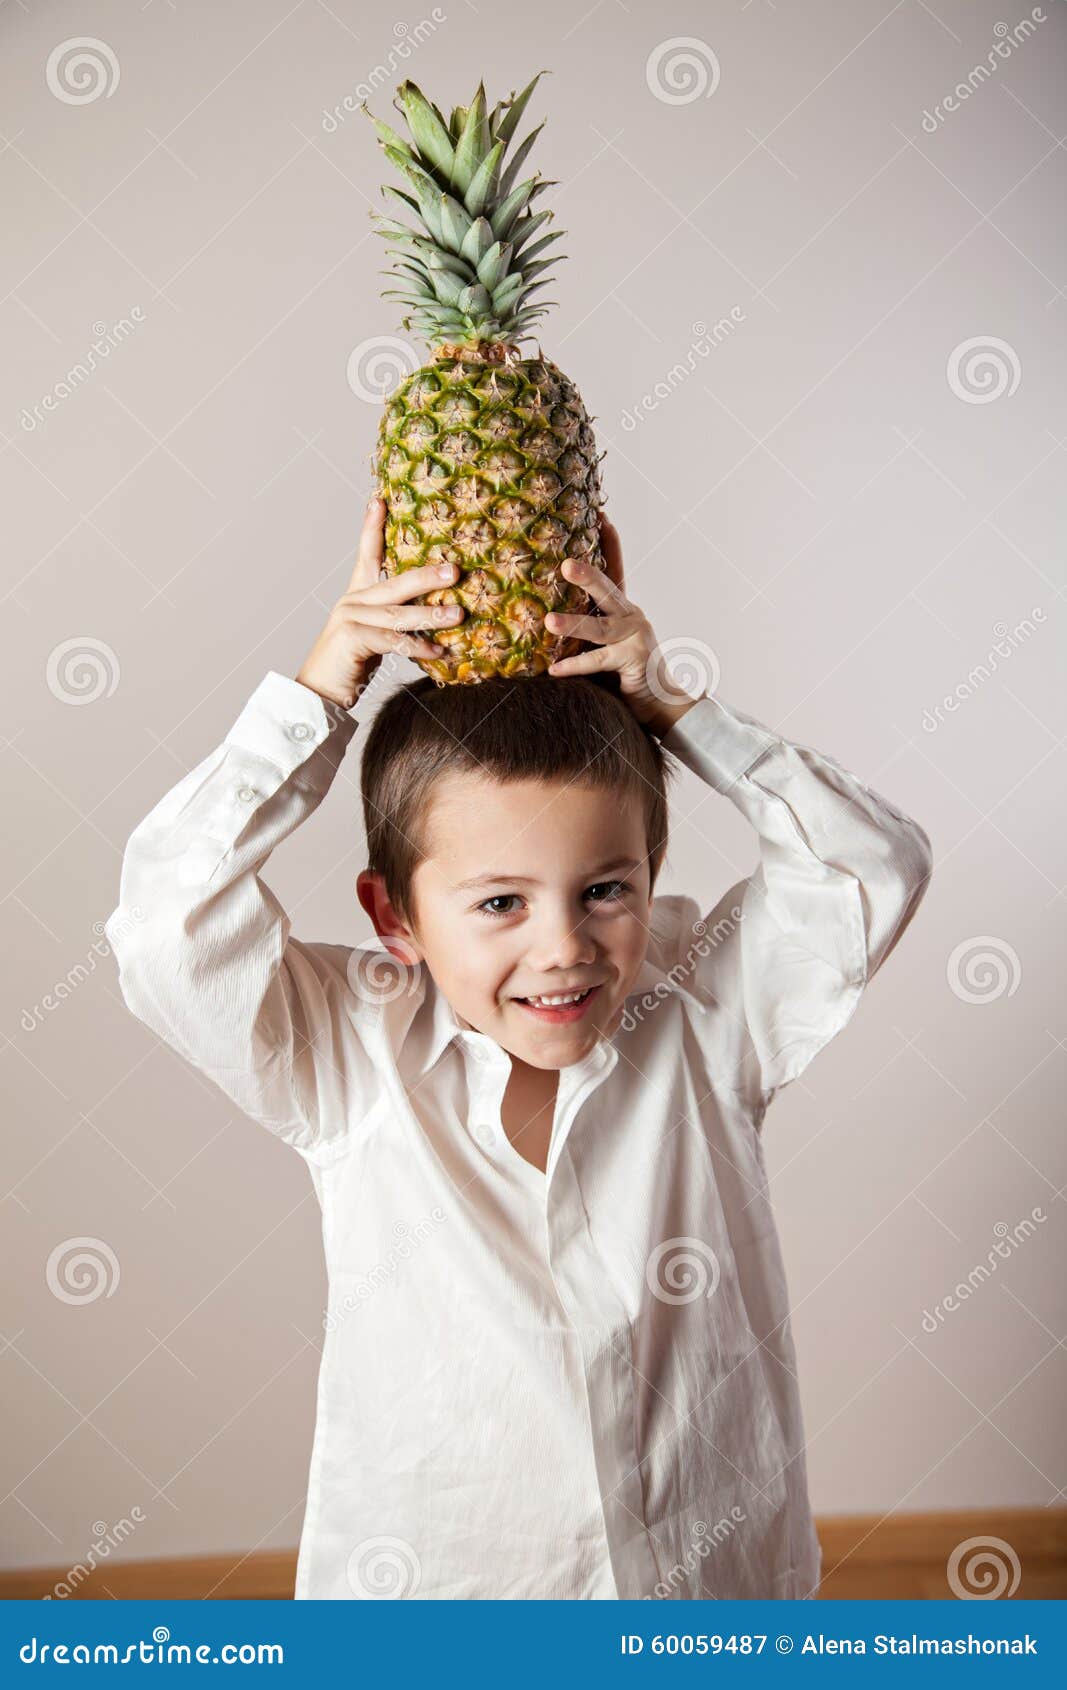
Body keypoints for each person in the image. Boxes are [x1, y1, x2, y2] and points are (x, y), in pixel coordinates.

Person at [105, 497, 933, 1600]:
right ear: (392, 915)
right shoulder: (349, 1054)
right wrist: (317, 698)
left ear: (650, 873)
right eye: (497, 901)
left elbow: (868, 864)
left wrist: (674, 707)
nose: (564, 948)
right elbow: (167, 927)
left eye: (604, 889)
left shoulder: (707, 1006)